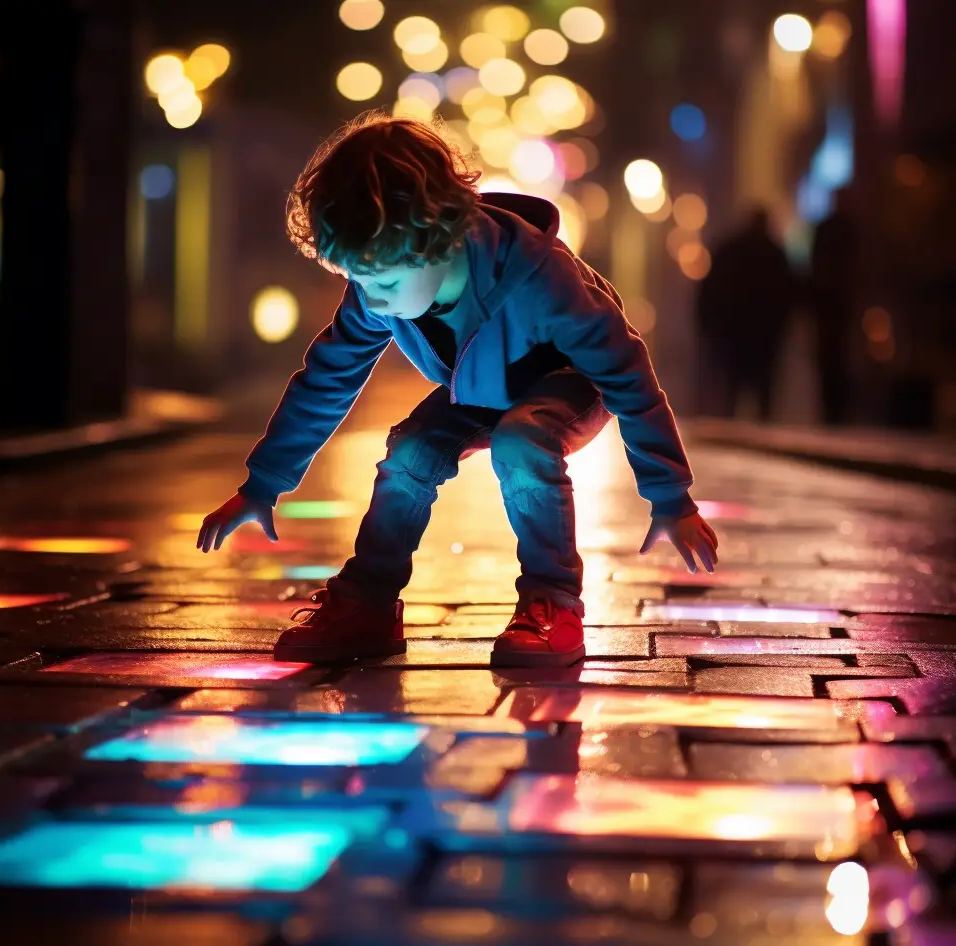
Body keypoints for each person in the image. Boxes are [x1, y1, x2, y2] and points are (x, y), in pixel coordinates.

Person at [197, 112, 718, 668]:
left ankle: (552, 602)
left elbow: (627, 374)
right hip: (479, 386)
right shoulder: (383, 278)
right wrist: (262, 484)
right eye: (358, 281)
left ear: (439, 240)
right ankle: (367, 602)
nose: (371, 300)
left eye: (386, 283)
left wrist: (671, 497)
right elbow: (327, 377)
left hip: (571, 381)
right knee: (410, 452)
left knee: (523, 441)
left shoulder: (543, 279)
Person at [697, 206, 795, 421]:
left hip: (733, 333)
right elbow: (788, 294)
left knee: (732, 386)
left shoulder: (729, 251)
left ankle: (731, 427)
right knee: (764, 390)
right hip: (765, 334)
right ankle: (763, 427)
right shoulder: (775, 254)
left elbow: (710, 292)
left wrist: (708, 326)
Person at [809, 188, 858, 424]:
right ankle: (836, 412)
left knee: (830, 359)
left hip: (830, 305)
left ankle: (833, 411)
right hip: (838, 304)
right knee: (835, 358)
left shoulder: (829, 229)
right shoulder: (851, 230)